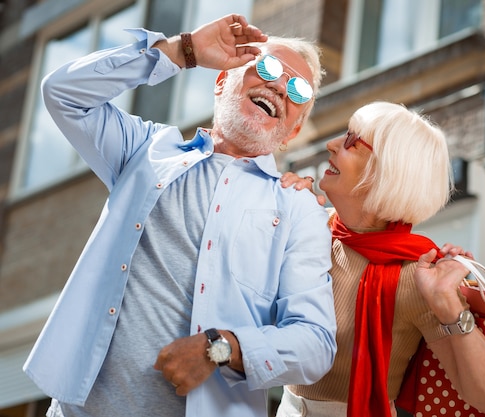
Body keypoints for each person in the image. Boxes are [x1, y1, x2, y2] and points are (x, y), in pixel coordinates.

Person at [23, 14, 337, 417]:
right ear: (223, 82)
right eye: (266, 67)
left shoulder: (297, 210)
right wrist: (180, 51)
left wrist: (220, 347)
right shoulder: (146, 151)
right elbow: (63, 93)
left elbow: (314, 342)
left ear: (292, 132)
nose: (279, 86)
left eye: (299, 90)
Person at [277, 101, 485, 417]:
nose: (331, 145)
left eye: (351, 142)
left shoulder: (416, 276)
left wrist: (449, 303)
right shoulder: (307, 225)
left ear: (384, 173)